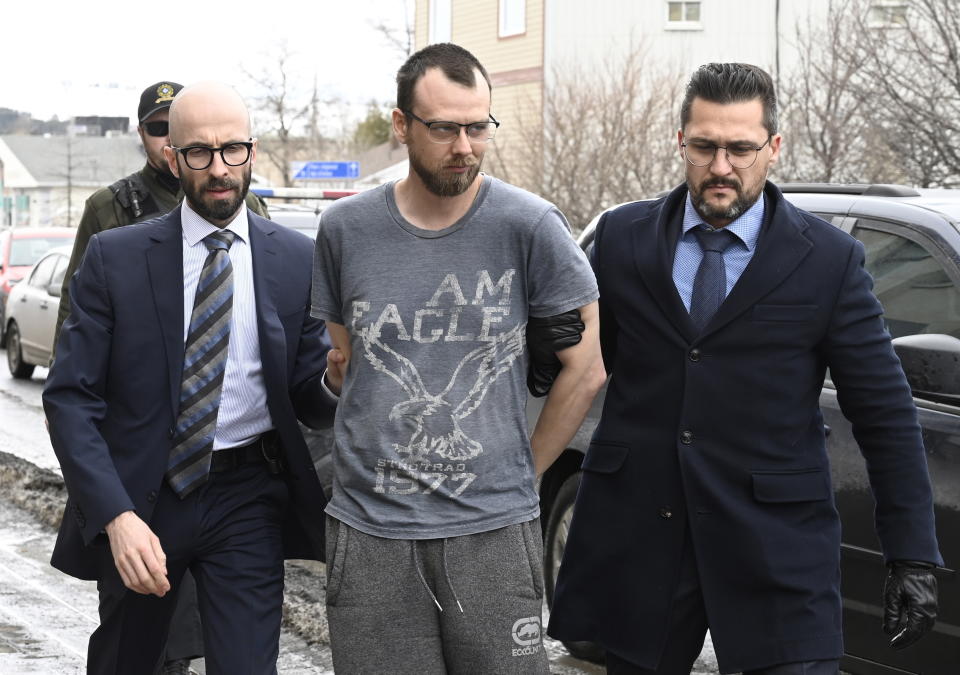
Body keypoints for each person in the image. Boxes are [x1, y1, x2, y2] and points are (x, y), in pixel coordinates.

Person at [547, 62, 942, 675]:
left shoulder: (830, 261)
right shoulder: (623, 240)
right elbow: (573, 367)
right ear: (681, 142)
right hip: (640, 540)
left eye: (740, 148)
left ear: (774, 148)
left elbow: (885, 415)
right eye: (704, 147)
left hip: (776, 547)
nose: (722, 166)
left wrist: (911, 555)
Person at [311, 42, 606, 673]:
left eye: (478, 127)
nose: (464, 146)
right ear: (401, 126)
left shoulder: (530, 227)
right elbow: (347, 356)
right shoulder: (346, 231)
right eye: (445, 128)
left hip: (495, 535)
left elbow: (587, 367)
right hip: (371, 534)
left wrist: (524, 474)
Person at [43, 81, 335, 675]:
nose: (219, 168)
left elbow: (309, 392)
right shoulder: (115, 258)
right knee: (132, 661)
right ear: (173, 159)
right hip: (145, 497)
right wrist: (115, 516)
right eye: (199, 152)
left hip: (248, 495)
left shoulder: (295, 259)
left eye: (233, 149)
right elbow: (70, 398)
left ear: (252, 152)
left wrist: (335, 379)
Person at [55, 80, 269, 344]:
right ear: (141, 133)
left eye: (175, 126)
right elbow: (74, 305)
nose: (169, 135)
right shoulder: (108, 206)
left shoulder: (243, 202)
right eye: (158, 128)